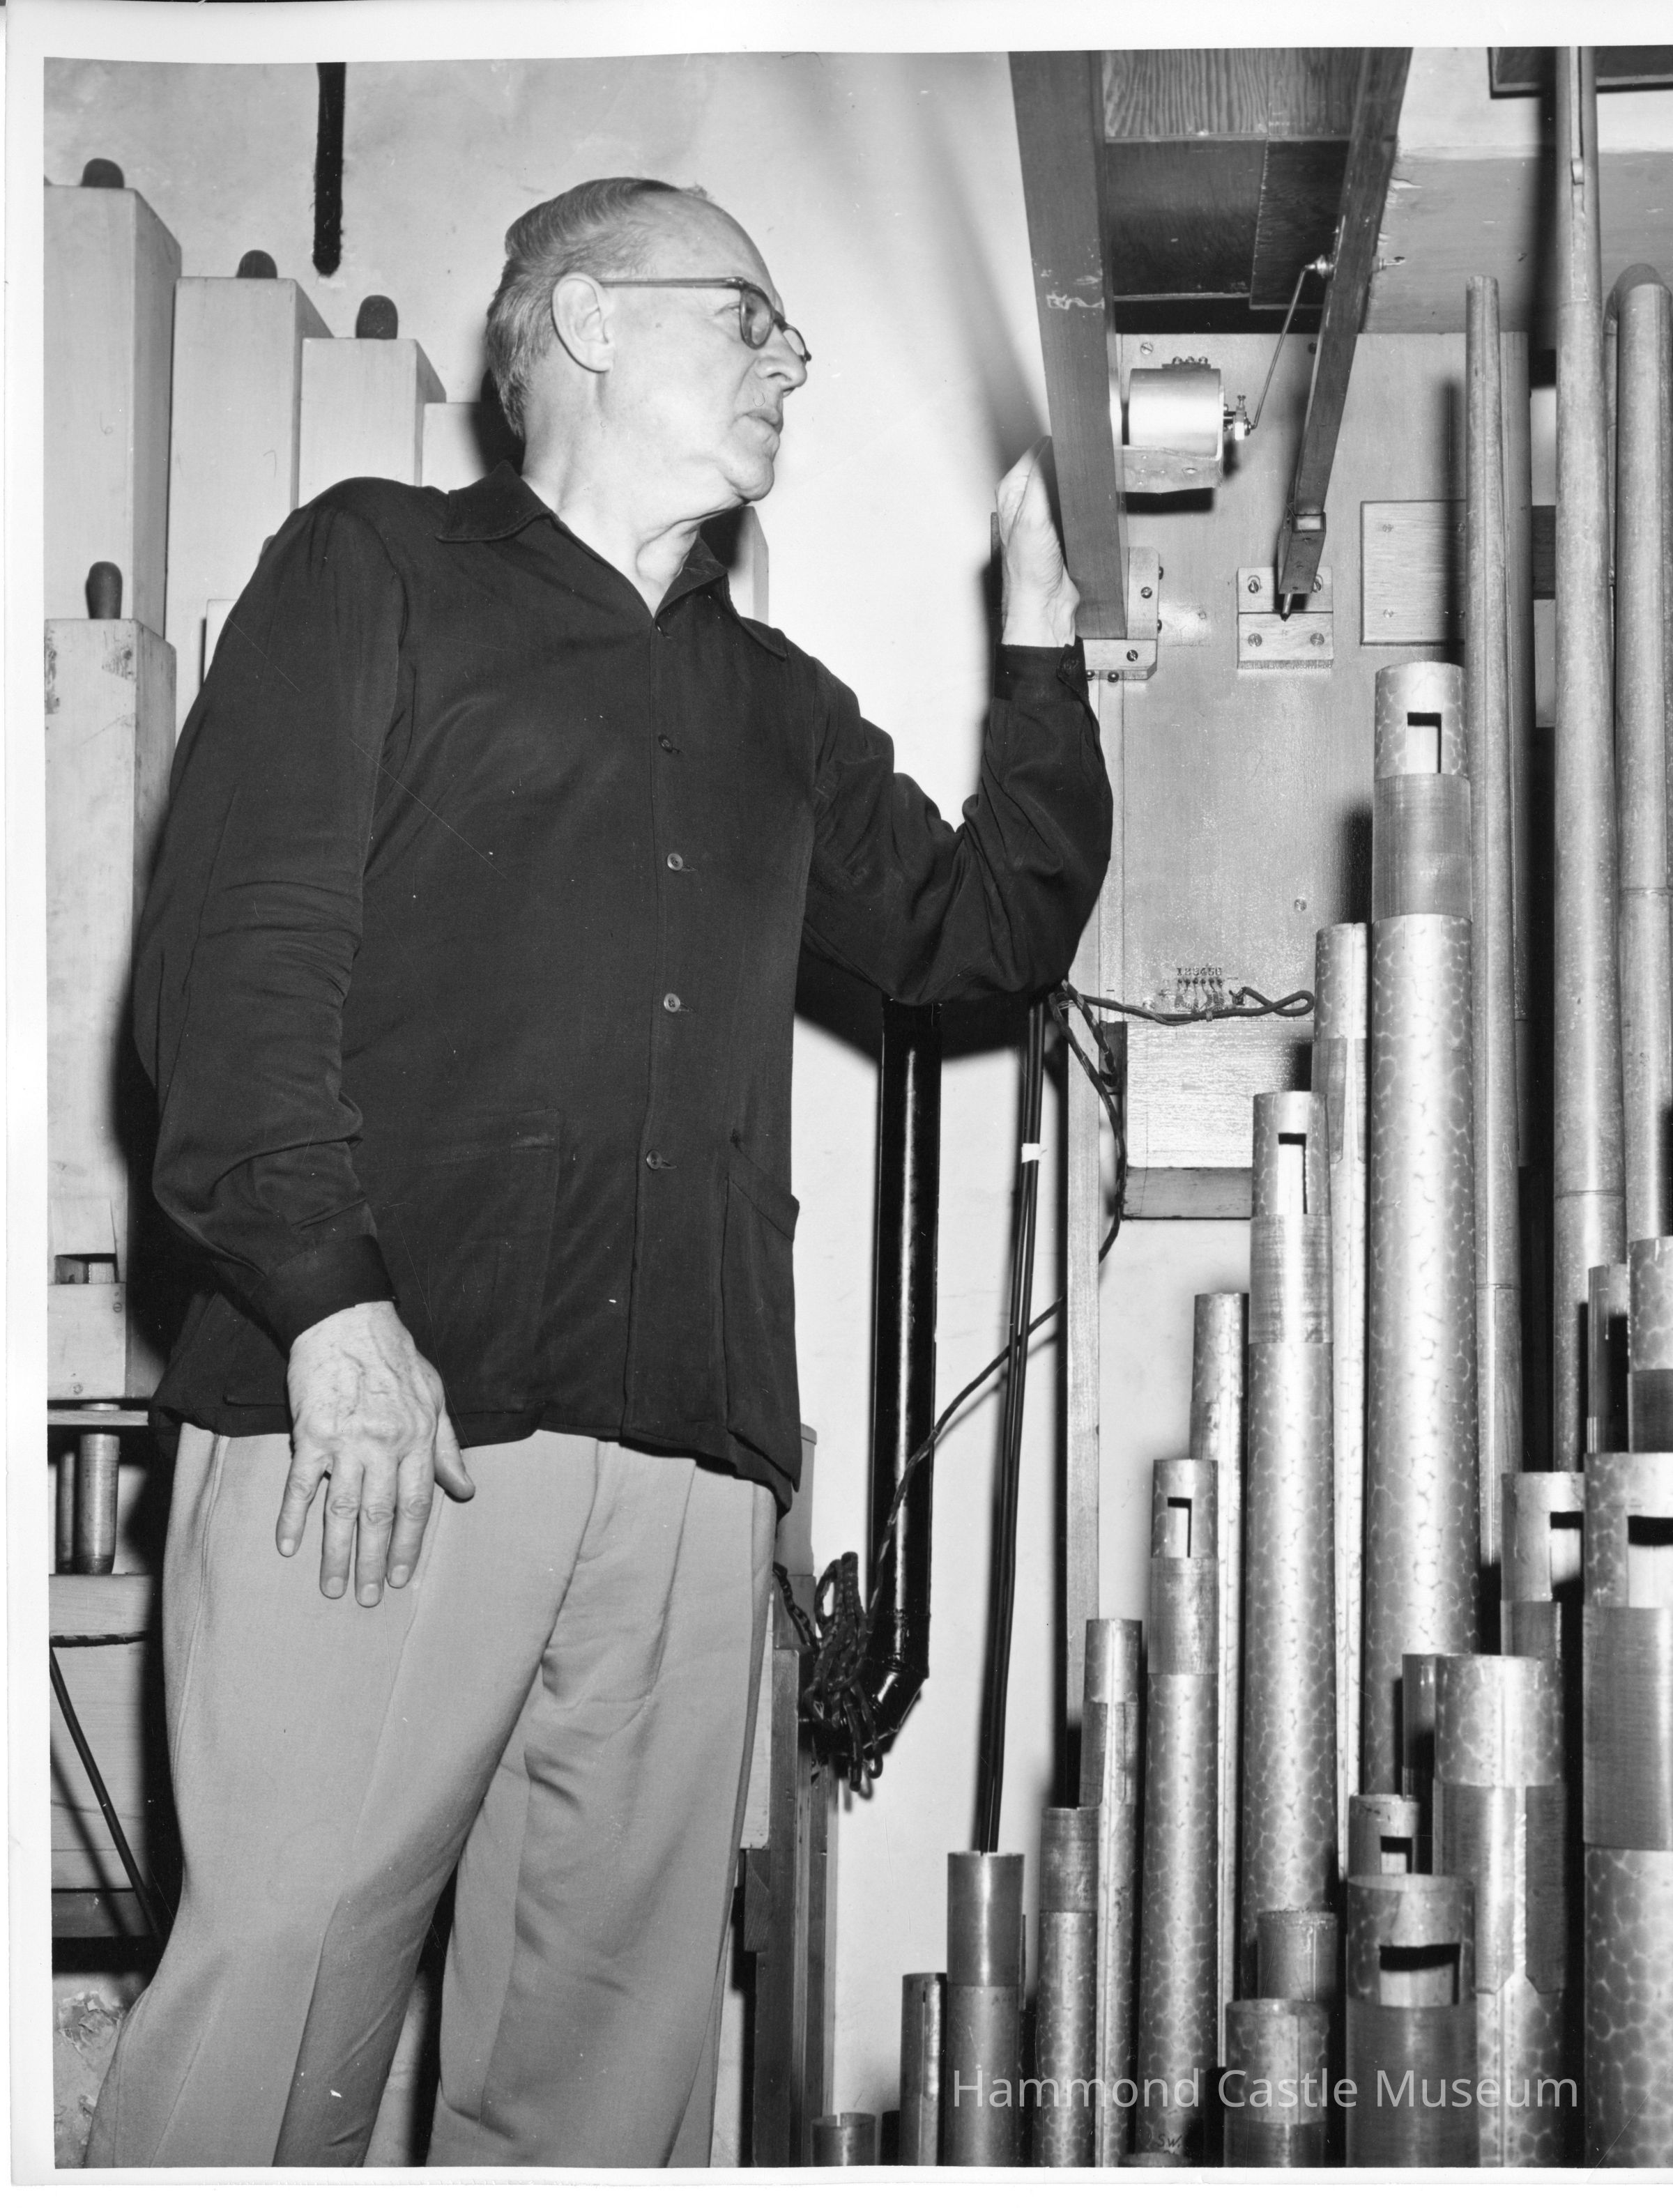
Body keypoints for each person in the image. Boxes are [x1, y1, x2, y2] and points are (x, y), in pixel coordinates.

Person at [87, 175, 1111, 2168]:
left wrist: (1046, 650)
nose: (790, 362)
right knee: (273, 2033)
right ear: (585, 323)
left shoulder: (775, 707)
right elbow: (239, 967)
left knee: (605, 2092)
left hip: (683, 1469)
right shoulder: (372, 568)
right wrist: (330, 1310)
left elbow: (979, 933)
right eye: (751, 316)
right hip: (383, 1412)